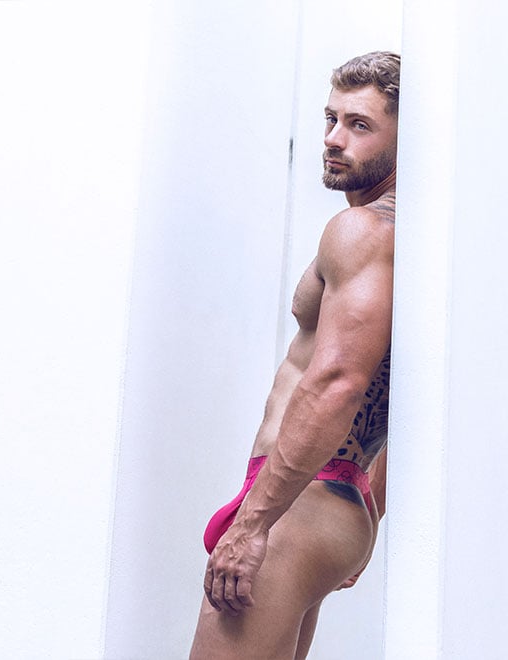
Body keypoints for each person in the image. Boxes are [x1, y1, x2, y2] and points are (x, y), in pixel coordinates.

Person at [190, 51, 400, 660]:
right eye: (331, 119)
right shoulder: (405, 238)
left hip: (300, 499)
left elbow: (337, 381)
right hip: (327, 493)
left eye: (359, 125)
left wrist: (253, 525)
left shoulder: (365, 233)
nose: (333, 139)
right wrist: (369, 505)